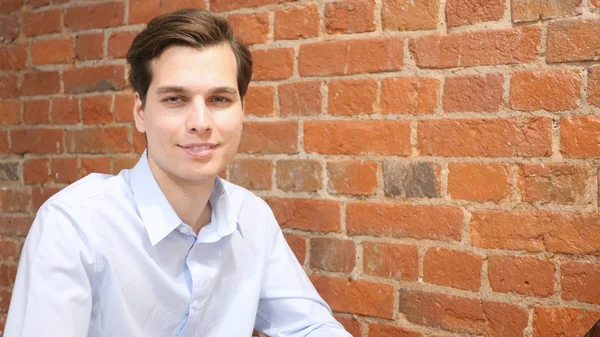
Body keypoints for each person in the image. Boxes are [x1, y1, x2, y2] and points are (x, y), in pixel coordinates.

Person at [4, 9, 351, 337]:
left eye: (219, 99)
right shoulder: (74, 225)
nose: (200, 123)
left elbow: (310, 327)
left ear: (242, 110)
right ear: (141, 112)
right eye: (175, 99)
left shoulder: (252, 218)